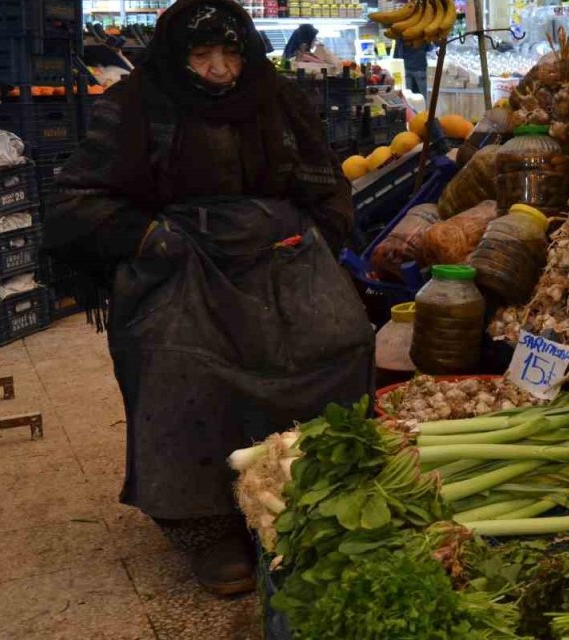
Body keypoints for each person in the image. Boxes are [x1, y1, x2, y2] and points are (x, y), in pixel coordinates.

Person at [43, 0, 374, 595]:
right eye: (202, 55)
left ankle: (314, 492)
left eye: (230, 54)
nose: (220, 70)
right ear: (177, 57)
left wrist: (315, 235)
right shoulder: (136, 105)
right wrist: (147, 236)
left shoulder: (274, 98)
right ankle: (205, 525)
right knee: (180, 367)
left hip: (280, 254)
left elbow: (326, 180)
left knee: (342, 341)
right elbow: (75, 202)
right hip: (182, 263)